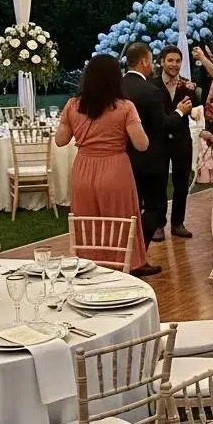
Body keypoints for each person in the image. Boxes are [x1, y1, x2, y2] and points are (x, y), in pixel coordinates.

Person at [55, 55, 149, 273]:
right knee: (120, 221)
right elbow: (142, 144)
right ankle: (120, 268)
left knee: (88, 222)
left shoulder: (72, 105)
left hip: (83, 169)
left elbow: (60, 140)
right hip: (115, 168)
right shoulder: (125, 107)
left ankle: (90, 266)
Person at [122, 42, 192, 274]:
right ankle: (137, 254)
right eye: (157, 61)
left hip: (131, 155)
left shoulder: (119, 87)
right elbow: (161, 124)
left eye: (177, 60)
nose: (173, 64)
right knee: (155, 206)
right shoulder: (150, 89)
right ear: (148, 62)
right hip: (152, 153)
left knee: (136, 203)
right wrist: (180, 111)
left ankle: (126, 252)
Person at [153, 45, 197, 241]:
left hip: (181, 139)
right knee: (159, 182)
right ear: (162, 62)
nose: (174, 64)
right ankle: (158, 225)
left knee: (181, 182)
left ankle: (178, 223)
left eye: (178, 61)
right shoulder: (152, 85)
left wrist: (194, 95)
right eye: (170, 60)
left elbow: (195, 110)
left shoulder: (187, 85)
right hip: (160, 140)